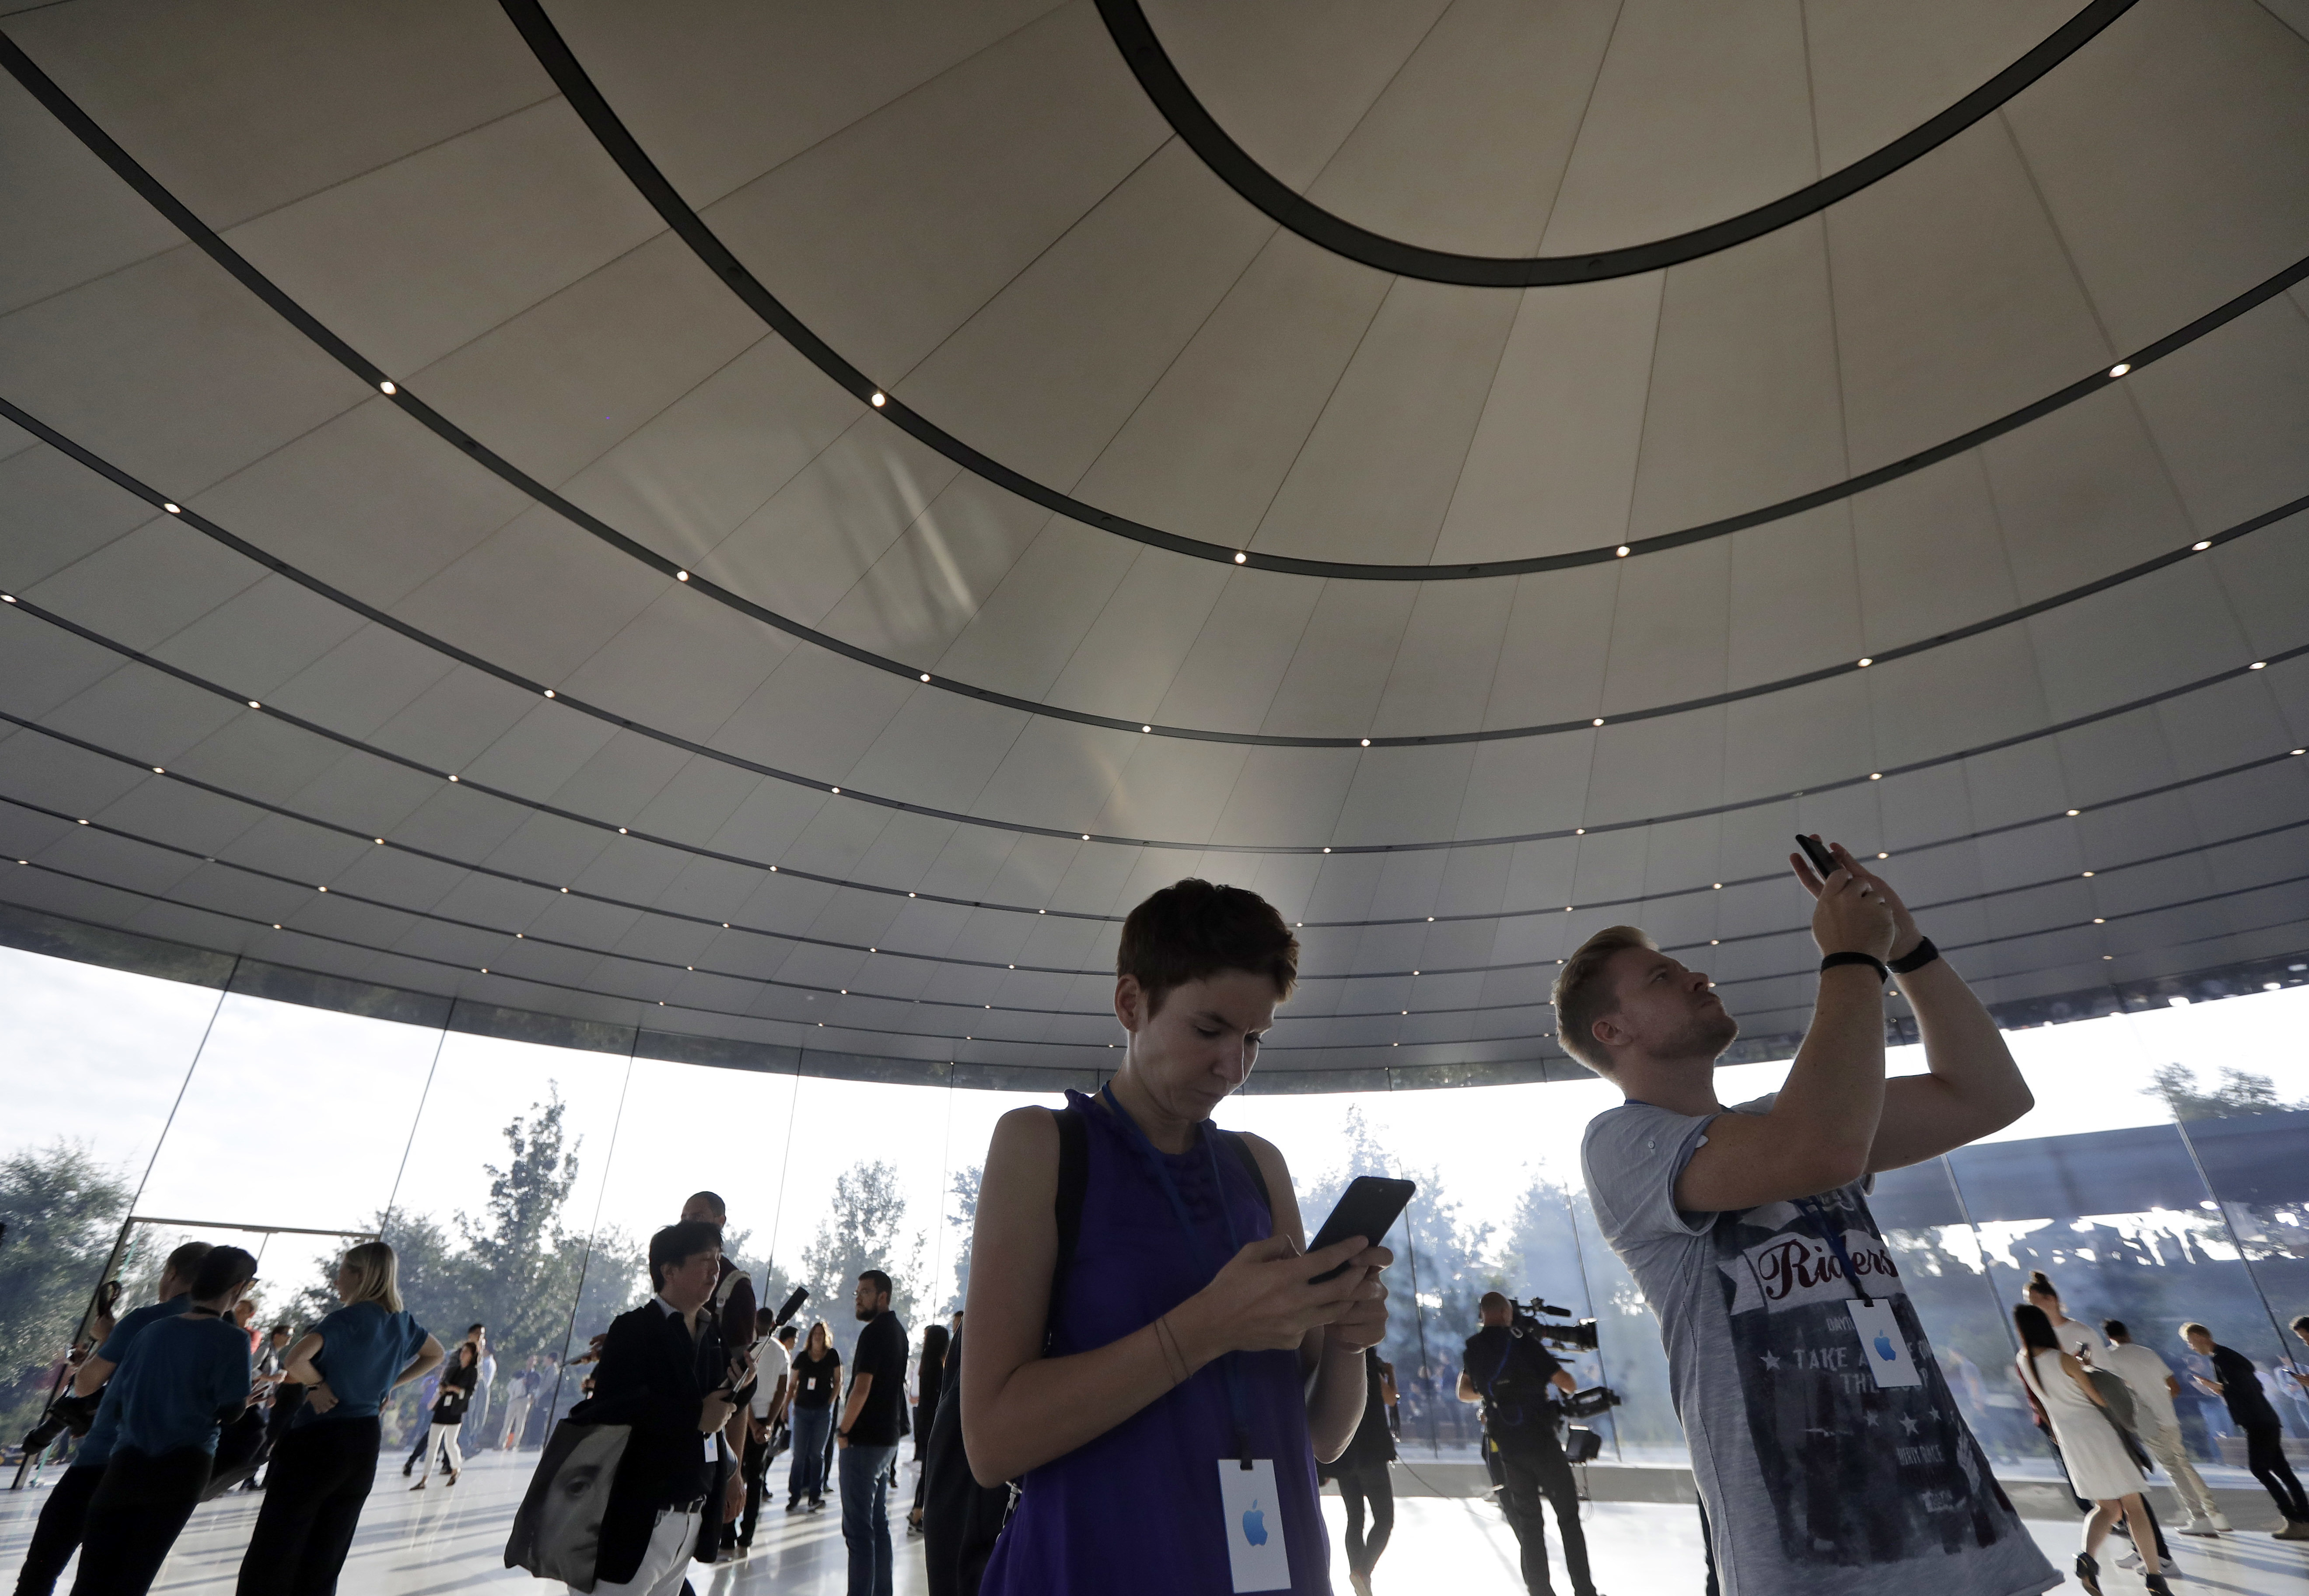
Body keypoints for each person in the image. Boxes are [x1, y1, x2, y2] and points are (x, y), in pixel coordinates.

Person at [1571, 840, 2054, 1596]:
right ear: (1611, 1032)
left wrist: (1907, 947)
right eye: (1662, 977)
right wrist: (1848, 961)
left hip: (1959, 1530)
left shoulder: (1788, 1117)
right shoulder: (1622, 1142)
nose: (1697, 975)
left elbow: (1988, 1094)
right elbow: (1820, 1148)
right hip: (1810, 1561)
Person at [965, 878, 1391, 1596]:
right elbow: (991, 1441)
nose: (1233, 1064)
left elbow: (1319, 1435)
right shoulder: (1043, 1144)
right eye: (1209, 1029)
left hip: (1273, 1567)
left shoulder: (1257, 1165)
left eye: (1252, 1037)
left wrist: (1350, 1340)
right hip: (1097, 1565)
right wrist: (1208, 1325)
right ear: (1130, 1003)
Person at [236, 1241, 443, 1596]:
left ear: (362, 1276)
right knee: (328, 1550)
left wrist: (318, 1384)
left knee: (278, 1544)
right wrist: (388, 1382)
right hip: (364, 1442)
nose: (337, 1279)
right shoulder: (403, 1322)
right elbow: (435, 1354)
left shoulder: (345, 1318)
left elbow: (295, 1360)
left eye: (344, 1270)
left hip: (319, 1436)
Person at [12, 1240, 213, 1596]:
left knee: (45, 1562)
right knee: (115, 1576)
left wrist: (106, 1340)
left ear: (171, 1274)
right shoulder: (226, 1334)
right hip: (172, 1468)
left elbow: (88, 1384)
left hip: (104, 1459)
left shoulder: (146, 1320)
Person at [66, 1246, 259, 1596]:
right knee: (135, 1573)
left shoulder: (150, 1331)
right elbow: (232, 1411)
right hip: (185, 1465)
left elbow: (120, 1402)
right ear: (239, 1287)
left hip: (127, 1461)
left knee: (93, 1573)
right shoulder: (233, 1340)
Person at [564, 1220, 744, 1596]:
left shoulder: (712, 1335)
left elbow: (720, 1411)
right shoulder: (634, 1330)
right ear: (669, 1270)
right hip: (638, 1517)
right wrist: (695, 1418)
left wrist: (730, 1470)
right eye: (705, 1260)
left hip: (690, 1518)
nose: (716, 1269)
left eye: (719, 1259)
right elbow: (614, 1414)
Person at [2013, 1304, 2167, 1594]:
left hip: (2069, 1438)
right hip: (2098, 1433)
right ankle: (2155, 1577)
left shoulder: (2023, 1360)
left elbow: (2047, 1392)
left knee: (2107, 1507)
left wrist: (2072, 1368)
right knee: (2134, 1507)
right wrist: (2084, 1368)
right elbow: (2098, 1398)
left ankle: (2087, 1560)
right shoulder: (2063, 1360)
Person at [1459, 1292, 1591, 1596]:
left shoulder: (1473, 1349)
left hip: (1508, 1448)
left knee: (1530, 1525)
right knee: (1568, 1519)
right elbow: (1568, 1384)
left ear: (1483, 1315)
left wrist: (1497, 1396)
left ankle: (1540, 1592)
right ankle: (1585, 1591)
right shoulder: (1523, 1342)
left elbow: (1464, 1392)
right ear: (1507, 1313)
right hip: (1542, 1442)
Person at [2183, 1322, 2309, 1538]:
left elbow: (2245, 1389)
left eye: (2190, 1342)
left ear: (2199, 1336)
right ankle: (2303, 1519)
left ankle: (2294, 1519)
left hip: (2257, 1421)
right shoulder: (2227, 1356)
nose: (2192, 1348)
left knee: (2260, 1469)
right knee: (2282, 1470)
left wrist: (2218, 1388)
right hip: (2264, 1418)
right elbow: (2251, 1387)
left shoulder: (2222, 1359)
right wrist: (2221, 1389)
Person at [2099, 1320, 2224, 1536]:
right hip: (2169, 1417)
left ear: (2109, 1337)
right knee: (2183, 1463)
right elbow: (2174, 1388)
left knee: (2172, 1468)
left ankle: (2199, 1517)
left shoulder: (2109, 1358)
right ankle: (2215, 1515)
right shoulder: (2149, 1353)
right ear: (2127, 1333)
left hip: (2146, 1420)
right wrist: (2159, 1400)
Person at [837, 1270, 910, 1596]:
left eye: (865, 1292)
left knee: (858, 1531)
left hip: (864, 1441)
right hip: (887, 1440)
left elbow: (861, 1388)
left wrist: (843, 1429)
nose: (858, 1297)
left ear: (883, 1296)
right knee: (878, 1524)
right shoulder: (899, 1331)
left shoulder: (873, 1334)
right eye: (857, 1292)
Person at [1327, 1346, 1398, 1596]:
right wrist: (1390, 1374)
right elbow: (1391, 1398)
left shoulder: (1335, 1363)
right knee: (1384, 1519)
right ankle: (1363, 1571)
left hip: (1345, 1454)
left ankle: (1358, 1578)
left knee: (1355, 1519)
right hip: (1372, 1453)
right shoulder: (1369, 1365)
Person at [737, 1310, 791, 1552]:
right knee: (757, 1477)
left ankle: (726, 1534)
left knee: (734, 1471)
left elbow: (740, 1389)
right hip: (766, 1418)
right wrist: (768, 1424)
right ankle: (747, 1535)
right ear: (772, 1324)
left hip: (742, 1418)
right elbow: (782, 1391)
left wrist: (752, 1425)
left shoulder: (747, 1349)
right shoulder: (781, 1351)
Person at [787, 1321, 841, 1513]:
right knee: (799, 1455)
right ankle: (794, 1495)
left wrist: (830, 1403)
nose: (818, 1336)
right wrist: (788, 1405)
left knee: (817, 1455)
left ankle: (814, 1496)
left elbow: (838, 1381)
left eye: (821, 1333)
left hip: (822, 1412)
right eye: (815, 1333)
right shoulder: (802, 1357)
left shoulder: (832, 1355)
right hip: (802, 1410)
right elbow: (793, 1383)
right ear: (810, 1336)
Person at [410, 1341, 476, 1488]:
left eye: (466, 1352)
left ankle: (456, 1468)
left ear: (472, 1355)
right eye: (462, 1351)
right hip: (442, 1409)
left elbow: (469, 1393)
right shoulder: (452, 1368)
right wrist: (443, 1388)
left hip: (456, 1411)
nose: (463, 1354)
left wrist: (456, 1389)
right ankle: (424, 1479)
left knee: (450, 1443)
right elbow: (443, 1384)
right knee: (432, 1445)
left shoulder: (472, 1372)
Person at [906, 1322, 950, 1535]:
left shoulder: (926, 1365)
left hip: (924, 1419)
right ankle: (917, 1513)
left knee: (927, 1470)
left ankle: (918, 1511)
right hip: (933, 1421)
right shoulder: (936, 1367)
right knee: (929, 1471)